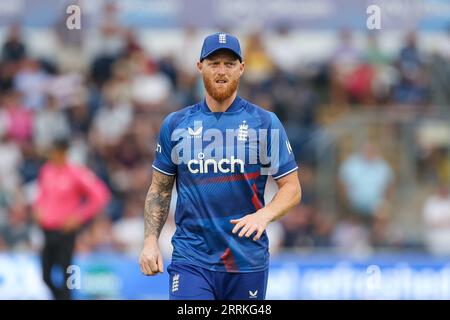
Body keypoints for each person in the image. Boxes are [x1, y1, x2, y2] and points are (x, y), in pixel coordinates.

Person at [139, 33, 301, 300]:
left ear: (242, 68)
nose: (222, 71)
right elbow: (160, 189)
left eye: (229, 63)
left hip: (246, 260)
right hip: (191, 259)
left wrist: (264, 215)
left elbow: (292, 189)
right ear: (200, 66)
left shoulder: (265, 123)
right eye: (214, 63)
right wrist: (149, 242)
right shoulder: (176, 125)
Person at [33, 138, 110, 300]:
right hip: (47, 230)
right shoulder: (46, 170)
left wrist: (79, 216)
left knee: (65, 271)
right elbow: (41, 195)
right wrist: (38, 208)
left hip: (64, 232)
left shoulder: (76, 173)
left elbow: (100, 195)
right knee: (45, 274)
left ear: (63, 153)